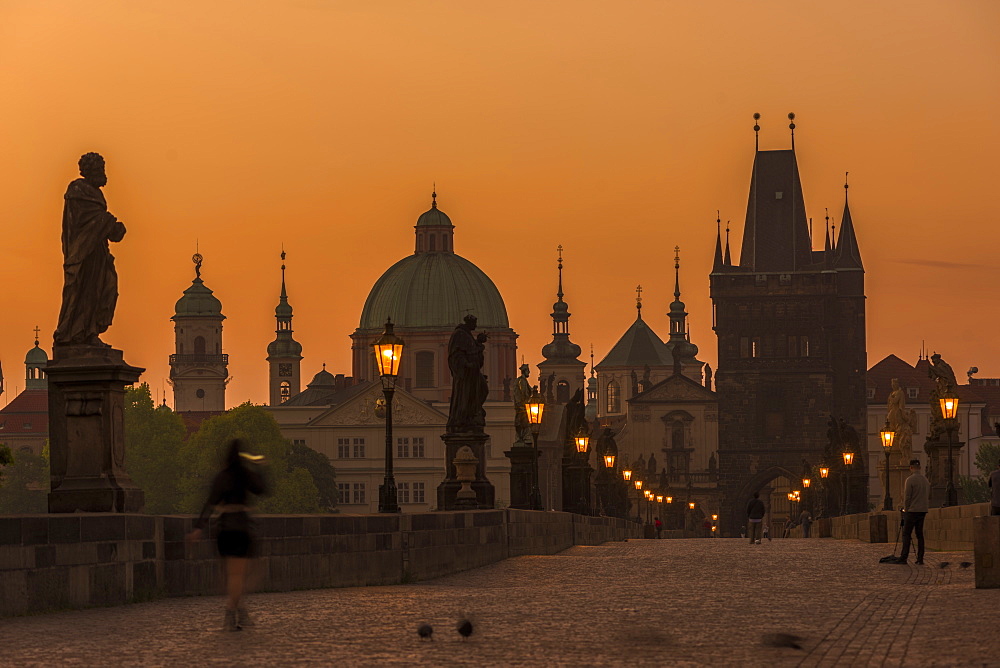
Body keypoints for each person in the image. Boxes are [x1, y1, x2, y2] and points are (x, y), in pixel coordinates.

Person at [187, 439, 269, 631]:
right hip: (241, 528)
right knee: (246, 574)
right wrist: (260, 466)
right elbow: (262, 490)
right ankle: (231, 611)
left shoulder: (222, 477)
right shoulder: (245, 475)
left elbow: (210, 503)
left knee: (232, 576)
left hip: (224, 529)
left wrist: (198, 528)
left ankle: (239, 609)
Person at [55, 152, 127, 347]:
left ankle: (90, 332)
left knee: (104, 289)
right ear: (89, 171)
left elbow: (96, 220)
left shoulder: (94, 192)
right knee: (83, 292)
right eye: (98, 169)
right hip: (83, 254)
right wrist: (111, 224)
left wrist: (110, 226)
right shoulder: (77, 189)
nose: (102, 173)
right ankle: (75, 334)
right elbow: (85, 220)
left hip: (98, 253)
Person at [891, 459, 930, 565]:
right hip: (923, 510)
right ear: (920, 467)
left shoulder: (910, 480)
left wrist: (906, 509)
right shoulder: (925, 480)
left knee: (906, 534)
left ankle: (904, 557)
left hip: (912, 510)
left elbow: (907, 497)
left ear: (911, 467)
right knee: (919, 534)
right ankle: (920, 558)